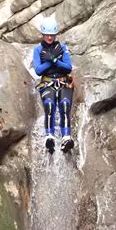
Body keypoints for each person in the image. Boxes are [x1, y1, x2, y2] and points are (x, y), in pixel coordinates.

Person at [33, 17, 74, 154]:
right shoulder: (38, 50)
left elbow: (68, 68)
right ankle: (49, 136)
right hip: (47, 82)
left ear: (55, 34)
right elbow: (38, 71)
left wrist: (55, 60)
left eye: (52, 34)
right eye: (47, 34)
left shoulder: (62, 48)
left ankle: (66, 137)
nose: (50, 37)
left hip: (63, 81)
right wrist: (51, 61)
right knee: (49, 105)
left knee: (65, 105)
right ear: (43, 34)